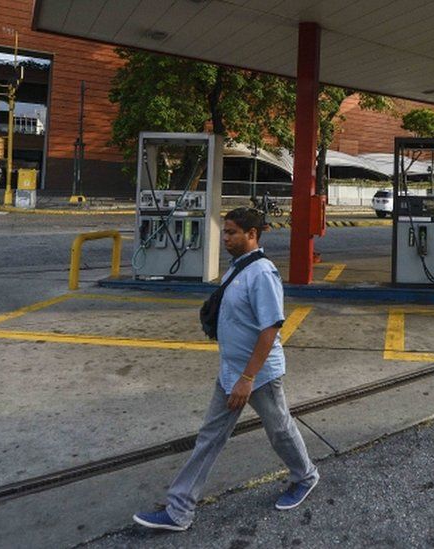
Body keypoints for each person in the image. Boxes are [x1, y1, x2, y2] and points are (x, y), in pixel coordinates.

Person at [133, 207, 319, 532]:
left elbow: (271, 328)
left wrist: (248, 378)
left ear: (252, 235)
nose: (226, 238)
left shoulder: (262, 273)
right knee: (210, 437)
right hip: (231, 372)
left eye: (232, 232)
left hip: (257, 375)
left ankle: (305, 476)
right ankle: (180, 509)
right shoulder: (237, 268)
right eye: (226, 232)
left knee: (279, 430)